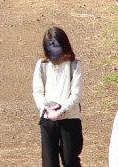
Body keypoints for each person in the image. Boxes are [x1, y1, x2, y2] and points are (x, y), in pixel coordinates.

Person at [33, 27, 83, 167]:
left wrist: (61, 112)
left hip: (70, 119)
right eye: (49, 45)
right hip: (48, 119)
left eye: (55, 44)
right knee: (49, 162)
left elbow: (76, 94)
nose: (52, 49)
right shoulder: (42, 65)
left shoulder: (74, 65)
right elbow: (37, 91)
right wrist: (46, 110)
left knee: (70, 160)